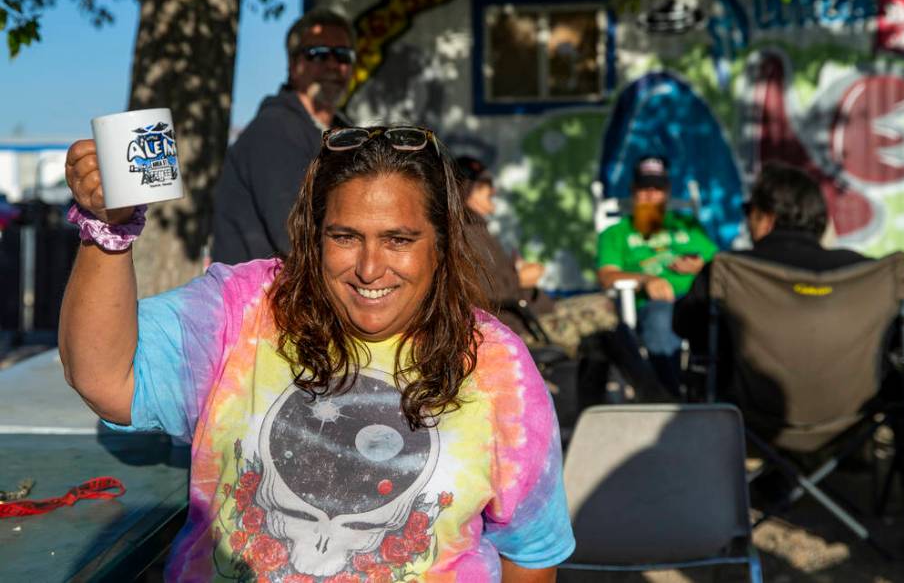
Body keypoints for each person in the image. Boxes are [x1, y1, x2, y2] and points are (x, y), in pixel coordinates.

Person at [60, 126, 574, 581]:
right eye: (345, 237)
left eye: (398, 239)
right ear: (314, 235)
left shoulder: (494, 364)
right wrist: (108, 231)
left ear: (439, 243)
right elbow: (105, 378)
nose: (370, 269)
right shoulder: (244, 310)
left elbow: (531, 551)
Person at [673, 162, 904, 392]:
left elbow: (686, 325)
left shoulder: (727, 271)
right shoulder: (872, 274)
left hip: (751, 417)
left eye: (748, 210)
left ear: (766, 219)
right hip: (852, 418)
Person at [212, 8, 355, 264]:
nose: (333, 65)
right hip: (261, 298)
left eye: (342, 55)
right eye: (318, 54)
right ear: (292, 65)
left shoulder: (344, 133)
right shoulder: (273, 131)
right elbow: (295, 237)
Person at [457, 155, 616, 358]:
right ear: (466, 191)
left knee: (604, 312)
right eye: (486, 184)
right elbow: (478, 291)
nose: (493, 190)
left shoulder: (477, 230)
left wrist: (517, 272)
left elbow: (491, 279)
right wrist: (520, 278)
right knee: (604, 313)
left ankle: (598, 388)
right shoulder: (464, 234)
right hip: (518, 325)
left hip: (533, 312)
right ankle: (649, 387)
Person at [596, 155, 717, 395]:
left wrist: (699, 266)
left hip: (697, 301)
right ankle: (671, 398)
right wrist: (646, 279)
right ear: (633, 190)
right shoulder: (616, 233)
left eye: (657, 188)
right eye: (644, 188)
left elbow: (719, 263)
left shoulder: (688, 225)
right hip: (655, 306)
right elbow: (607, 276)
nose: (651, 194)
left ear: (667, 192)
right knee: (662, 316)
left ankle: (716, 394)